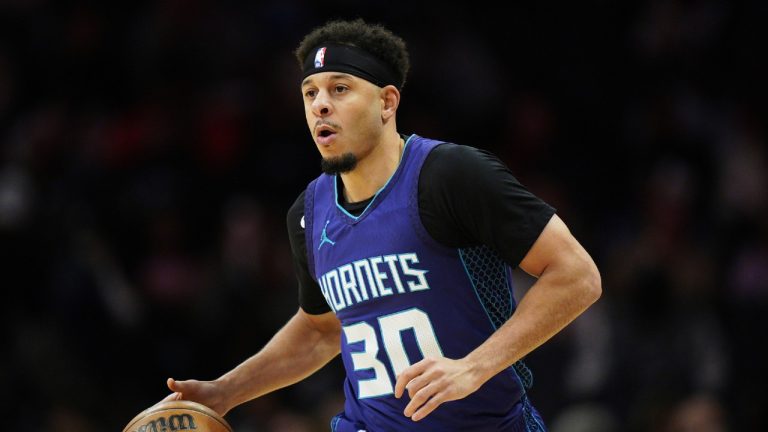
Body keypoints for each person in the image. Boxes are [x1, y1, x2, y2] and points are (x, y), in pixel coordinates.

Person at [163, 18, 601, 431]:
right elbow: (321, 330)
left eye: (340, 88)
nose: (320, 105)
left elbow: (576, 275)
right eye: (310, 93)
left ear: (387, 102)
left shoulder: (450, 175)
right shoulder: (308, 213)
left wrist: (475, 365)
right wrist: (224, 392)